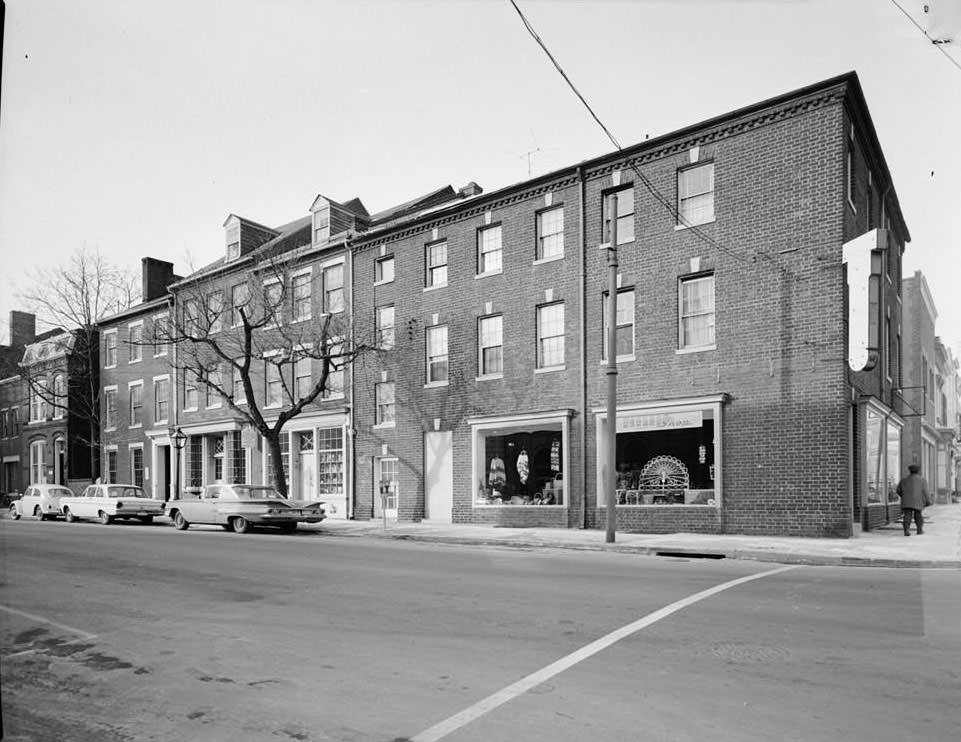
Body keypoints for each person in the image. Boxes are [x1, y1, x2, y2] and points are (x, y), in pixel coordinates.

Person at [896, 464, 931, 536]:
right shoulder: (922, 480)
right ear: (918, 471)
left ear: (910, 471)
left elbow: (898, 490)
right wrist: (928, 500)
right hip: (918, 501)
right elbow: (925, 491)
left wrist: (904, 496)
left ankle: (906, 530)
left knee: (907, 515)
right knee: (918, 515)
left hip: (906, 501)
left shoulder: (904, 480)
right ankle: (919, 530)